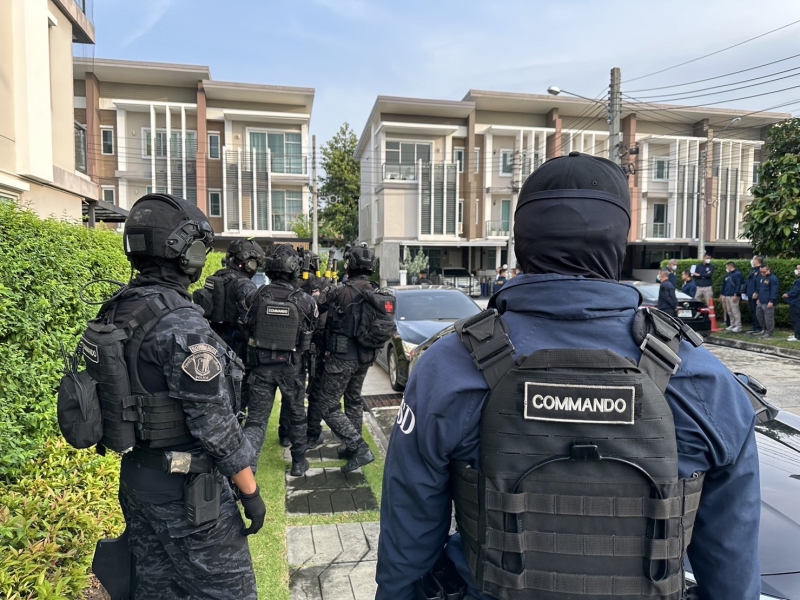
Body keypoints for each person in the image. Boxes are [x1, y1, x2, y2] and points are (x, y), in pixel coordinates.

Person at [376, 153, 761, 600]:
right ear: (619, 240)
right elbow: (733, 570)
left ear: (521, 241)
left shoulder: (447, 368)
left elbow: (408, 541)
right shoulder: (704, 379)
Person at [99, 194, 264, 598]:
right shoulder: (181, 324)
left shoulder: (119, 308)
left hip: (138, 480)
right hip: (187, 495)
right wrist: (250, 492)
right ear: (184, 252)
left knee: (158, 591)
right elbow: (215, 424)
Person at [243, 244, 318, 476]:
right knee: (297, 415)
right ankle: (299, 463)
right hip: (292, 368)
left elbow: (245, 323)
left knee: (256, 420)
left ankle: (247, 469)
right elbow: (313, 328)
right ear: (294, 268)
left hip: (261, 367)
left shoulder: (255, 296)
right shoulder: (306, 301)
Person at [310, 243, 382, 473]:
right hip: (365, 356)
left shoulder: (339, 291)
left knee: (327, 404)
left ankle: (358, 447)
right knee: (353, 400)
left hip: (341, 357)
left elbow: (315, 307)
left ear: (350, 265)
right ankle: (352, 449)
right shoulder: (377, 291)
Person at [193, 238, 265, 361]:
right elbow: (250, 319)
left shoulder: (219, 275)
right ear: (250, 264)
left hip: (214, 336)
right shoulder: (244, 284)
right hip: (235, 343)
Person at [753, 263, 780, 338]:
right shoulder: (762, 278)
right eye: (761, 272)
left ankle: (769, 332)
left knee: (768, 318)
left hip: (768, 301)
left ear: (768, 270)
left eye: (764, 272)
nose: (762, 273)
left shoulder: (773, 278)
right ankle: (764, 329)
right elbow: (760, 288)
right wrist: (758, 297)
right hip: (761, 300)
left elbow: (774, 291)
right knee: (759, 315)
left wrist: (771, 301)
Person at [721, 261, 744, 333]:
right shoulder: (728, 275)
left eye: (727, 267)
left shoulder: (738, 274)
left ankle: (738, 326)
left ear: (730, 267)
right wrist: (723, 294)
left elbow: (738, 285)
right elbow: (725, 285)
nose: (726, 268)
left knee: (735, 311)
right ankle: (732, 324)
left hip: (733, 295)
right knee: (729, 311)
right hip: (728, 295)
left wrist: (736, 294)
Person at [745, 255, 764, 334]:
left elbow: (759, 283)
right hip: (750, 293)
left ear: (756, 260)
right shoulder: (753, 270)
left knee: (757, 311)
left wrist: (757, 292)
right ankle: (754, 326)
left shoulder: (760, 270)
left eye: (753, 259)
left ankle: (759, 327)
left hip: (755, 294)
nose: (752, 261)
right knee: (753, 311)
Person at [783, 264, 800, 342]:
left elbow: (795, 291)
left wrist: (787, 294)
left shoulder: (799, 281)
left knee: (796, 319)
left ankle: (797, 336)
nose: (797, 270)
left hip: (797, 303)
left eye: (798, 269)